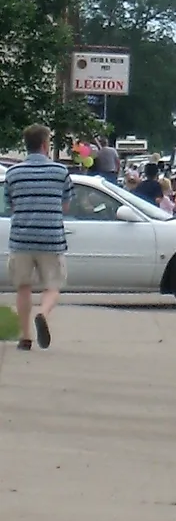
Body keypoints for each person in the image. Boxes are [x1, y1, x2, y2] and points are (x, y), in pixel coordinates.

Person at [5, 124, 74, 351]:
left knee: (23, 288)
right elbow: (65, 207)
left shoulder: (13, 173)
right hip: (51, 239)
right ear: (45, 144)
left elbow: (11, 205)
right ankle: (42, 313)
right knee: (52, 286)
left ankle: (25, 338)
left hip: (21, 240)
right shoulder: (60, 172)